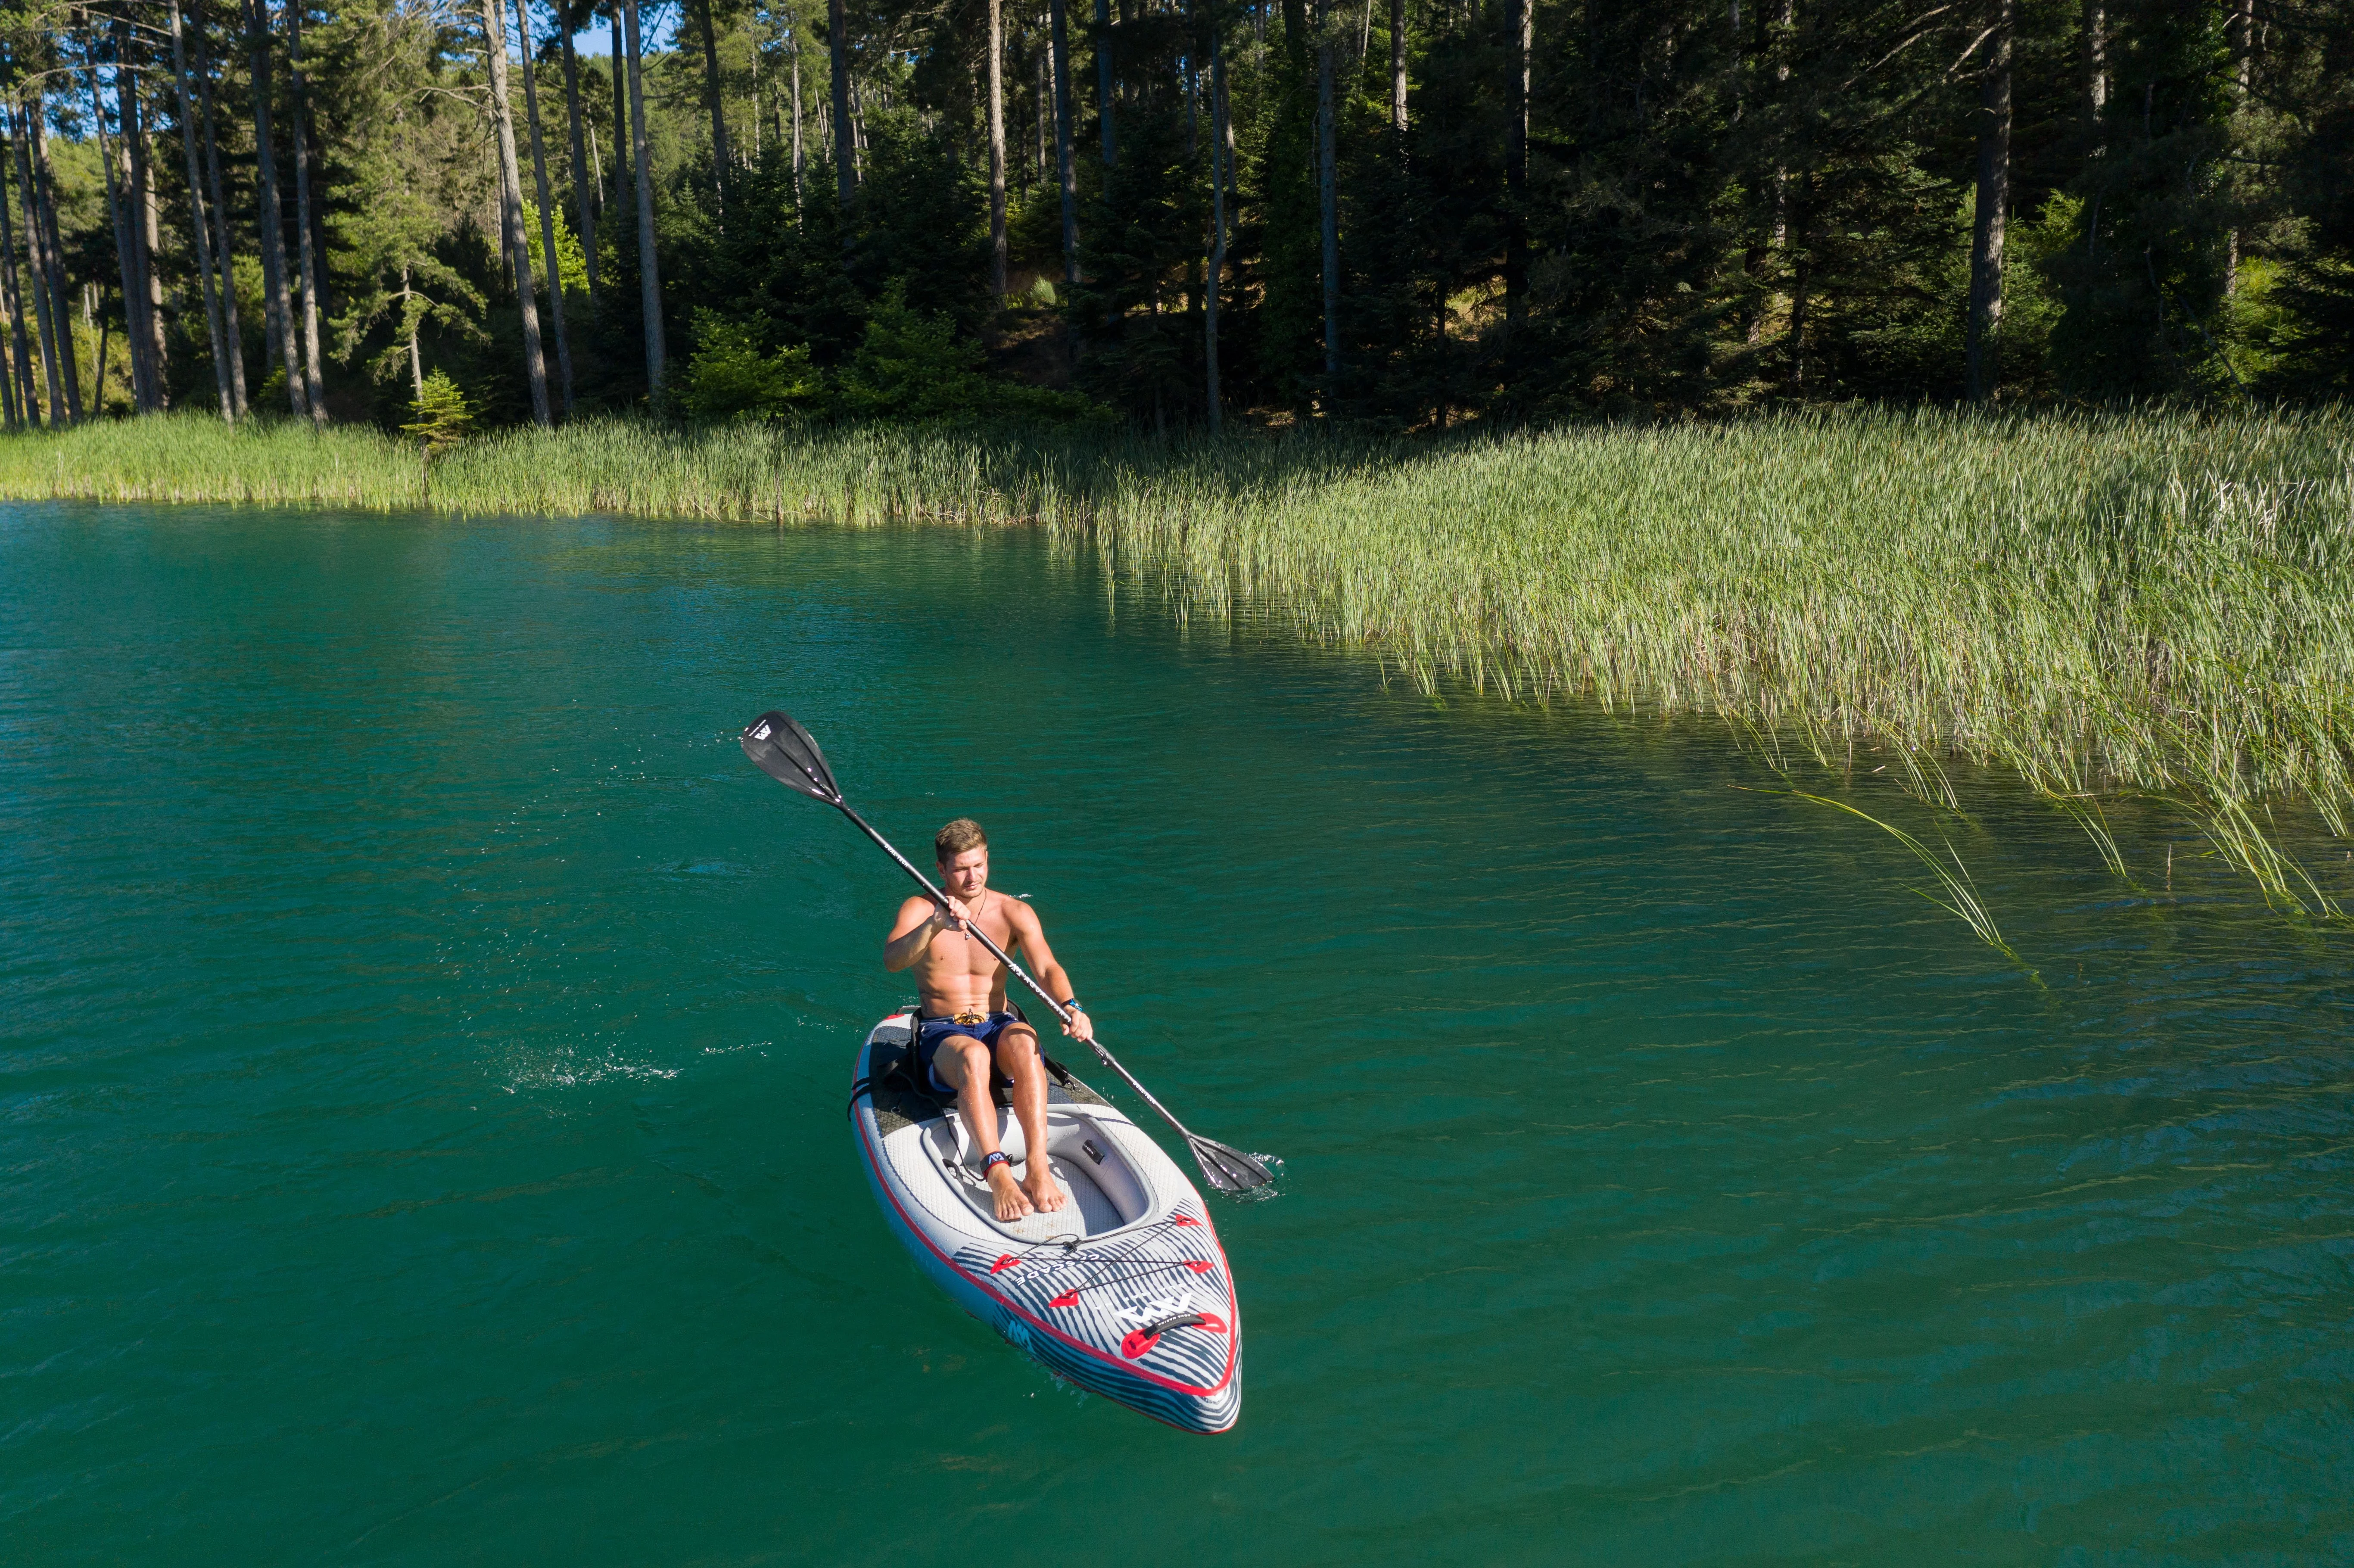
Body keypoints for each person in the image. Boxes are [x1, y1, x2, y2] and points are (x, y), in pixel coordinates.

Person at [884, 818, 1094, 1221]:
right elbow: (893, 961)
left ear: (987, 860)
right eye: (961, 868)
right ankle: (997, 1173)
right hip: (942, 1030)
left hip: (995, 1020)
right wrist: (933, 927)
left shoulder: (1013, 911)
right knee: (973, 1058)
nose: (972, 876)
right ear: (941, 870)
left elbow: (1047, 967)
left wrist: (1072, 1006)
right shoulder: (921, 907)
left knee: (1026, 1041)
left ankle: (1035, 1167)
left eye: (979, 865)